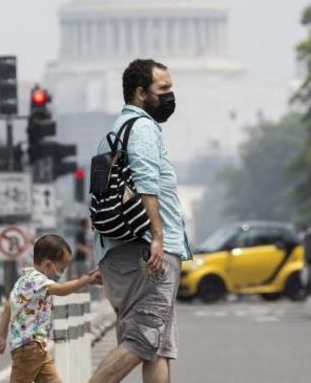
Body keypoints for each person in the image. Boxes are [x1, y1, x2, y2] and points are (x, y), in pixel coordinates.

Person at [89, 59, 191, 383]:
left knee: (158, 345)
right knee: (144, 338)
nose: (170, 97)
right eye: (164, 90)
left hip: (122, 250)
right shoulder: (143, 128)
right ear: (140, 93)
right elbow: (147, 184)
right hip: (148, 252)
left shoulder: (115, 131)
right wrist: (157, 238)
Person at [0, 234, 102, 383]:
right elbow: (61, 290)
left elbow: (7, 306)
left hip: (37, 347)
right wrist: (86, 280)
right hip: (28, 347)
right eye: (61, 268)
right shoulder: (37, 280)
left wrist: (1, 336)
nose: (61, 274)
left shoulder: (23, 280)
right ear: (48, 265)